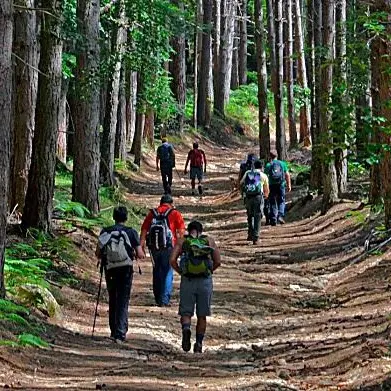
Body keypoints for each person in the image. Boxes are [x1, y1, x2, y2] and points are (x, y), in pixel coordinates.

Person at [169, 221, 221, 353]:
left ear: (188, 230)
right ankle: (198, 343)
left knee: (186, 312)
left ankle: (186, 329)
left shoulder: (182, 242)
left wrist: (181, 272)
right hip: (205, 281)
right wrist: (209, 271)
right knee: (202, 315)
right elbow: (218, 261)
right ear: (201, 231)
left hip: (188, 280)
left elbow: (172, 260)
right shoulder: (209, 241)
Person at [96, 206, 145, 343]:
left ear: (113, 217)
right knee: (123, 299)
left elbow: (97, 253)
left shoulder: (106, 231)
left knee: (113, 297)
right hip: (125, 269)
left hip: (110, 268)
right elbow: (140, 254)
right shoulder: (131, 232)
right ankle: (120, 332)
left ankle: (113, 330)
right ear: (126, 218)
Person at [140, 194, 185, 307]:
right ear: (171, 204)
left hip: (154, 247)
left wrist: (141, 246)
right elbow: (181, 233)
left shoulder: (153, 213)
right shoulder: (175, 213)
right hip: (169, 246)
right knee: (167, 271)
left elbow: (144, 229)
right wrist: (181, 248)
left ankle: (157, 296)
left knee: (157, 270)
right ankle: (164, 299)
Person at [240, 159, 269, 244]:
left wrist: (243, 194)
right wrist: (266, 196)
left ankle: (250, 234)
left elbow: (241, 183)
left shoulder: (247, 173)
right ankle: (256, 237)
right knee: (257, 216)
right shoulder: (263, 175)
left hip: (248, 197)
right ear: (262, 167)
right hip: (258, 197)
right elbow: (266, 189)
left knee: (249, 215)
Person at [264, 150, 291, 226]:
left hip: (271, 185)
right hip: (281, 185)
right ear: (277, 155)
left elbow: (265, 177)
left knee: (272, 201)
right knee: (281, 200)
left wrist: (264, 188)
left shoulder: (268, 165)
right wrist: (289, 185)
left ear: (270, 156)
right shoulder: (282, 164)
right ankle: (280, 215)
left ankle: (273, 219)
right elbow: (287, 174)